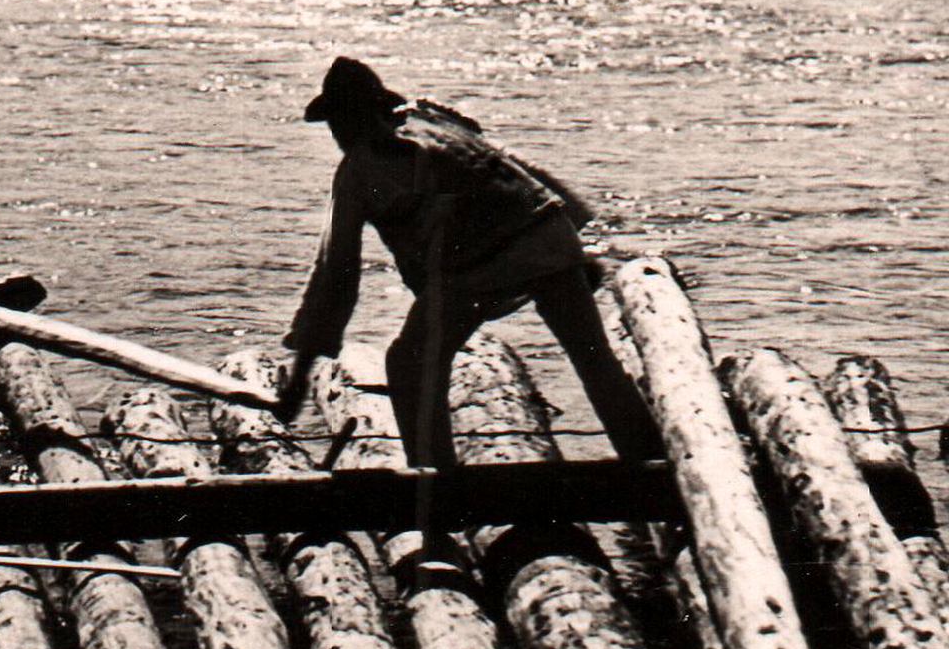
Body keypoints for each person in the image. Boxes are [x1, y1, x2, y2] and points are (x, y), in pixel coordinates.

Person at [276, 57, 662, 468]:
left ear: (358, 118)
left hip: (482, 263)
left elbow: (335, 277)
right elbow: (517, 169)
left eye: (342, 121)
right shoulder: (435, 121)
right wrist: (576, 241)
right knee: (593, 358)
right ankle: (652, 466)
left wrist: (299, 382)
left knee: (410, 363)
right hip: (547, 232)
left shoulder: (357, 171)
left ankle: (437, 487)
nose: (340, 133)